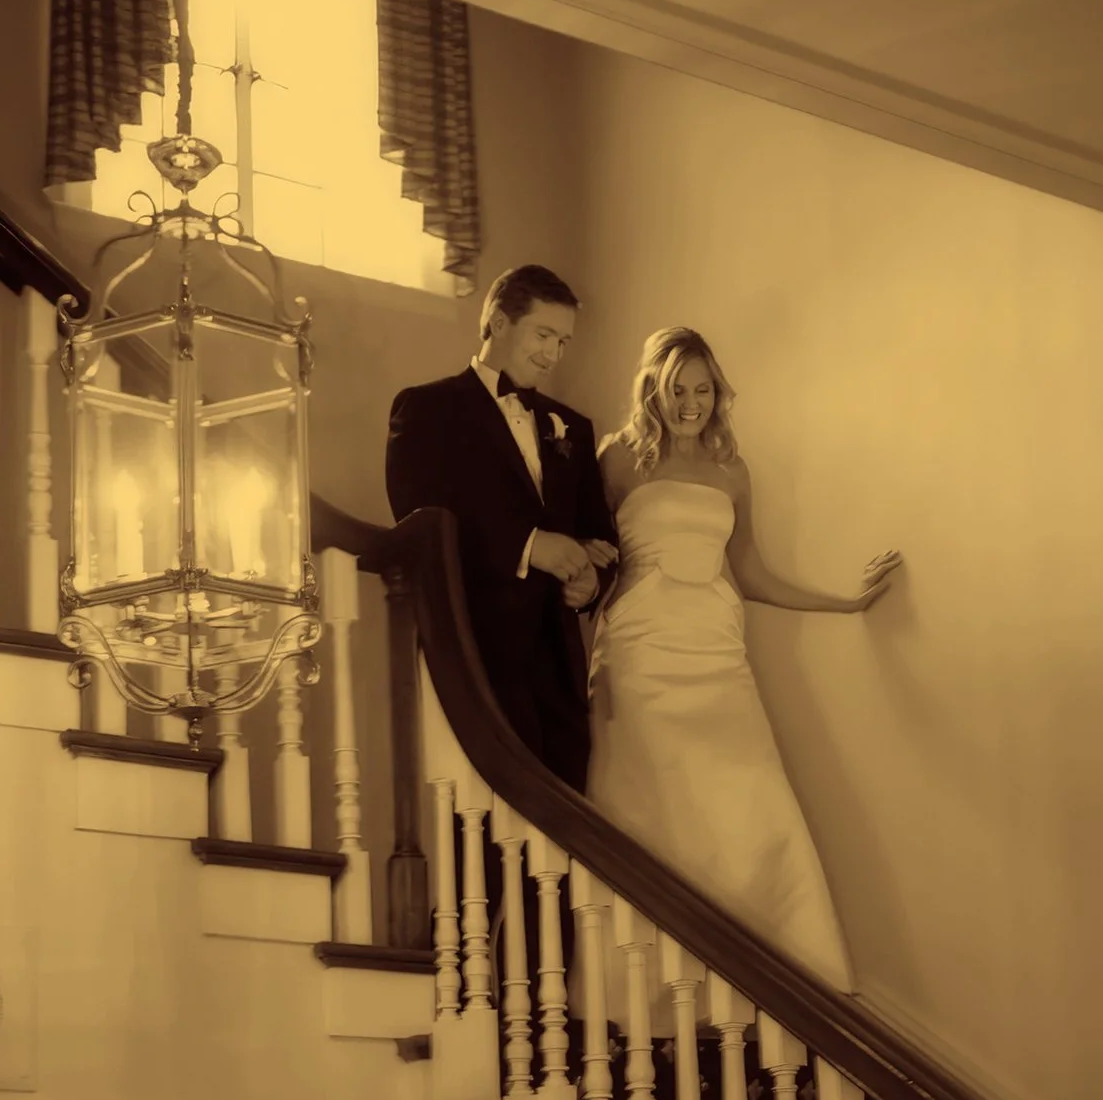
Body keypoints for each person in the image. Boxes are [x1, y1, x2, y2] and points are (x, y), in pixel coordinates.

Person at [589, 326, 898, 994]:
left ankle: (760, 979)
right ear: (655, 390)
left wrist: (843, 603)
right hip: (642, 646)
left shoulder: (733, 469)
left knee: (748, 796)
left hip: (717, 649)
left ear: (717, 394)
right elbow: (591, 558)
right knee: (651, 802)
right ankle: (642, 990)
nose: (691, 403)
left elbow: (751, 571)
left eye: (703, 390)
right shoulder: (617, 459)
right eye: (678, 389)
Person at [384, 264, 620, 792]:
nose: (554, 355)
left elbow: (599, 537)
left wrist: (588, 585)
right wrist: (529, 546)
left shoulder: (574, 429)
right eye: (544, 335)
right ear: (496, 321)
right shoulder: (427, 409)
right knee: (489, 827)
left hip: (557, 668)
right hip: (474, 652)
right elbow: (417, 519)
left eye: (564, 341)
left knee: (565, 820)